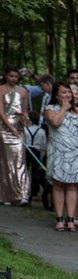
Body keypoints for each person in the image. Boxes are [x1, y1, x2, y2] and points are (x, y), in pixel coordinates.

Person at [44, 81, 78, 231]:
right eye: (63, 92)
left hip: (75, 152)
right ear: (56, 95)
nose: (67, 95)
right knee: (58, 185)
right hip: (57, 152)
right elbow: (55, 122)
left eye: (69, 92)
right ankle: (59, 219)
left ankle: (71, 218)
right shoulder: (50, 109)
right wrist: (64, 109)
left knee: (72, 186)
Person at [0, 66, 31, 206]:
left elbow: (25, 111)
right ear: (6, 75)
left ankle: (22, 193)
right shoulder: (1, 89)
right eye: (11, 76)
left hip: (19, 128)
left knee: (20, 160)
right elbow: (1, 112)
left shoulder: (23, 91)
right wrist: (10, 127)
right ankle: (5, 194)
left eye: (16, 76)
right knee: (5, 162)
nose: (13, 78)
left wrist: (26, 120)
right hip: (3, 128)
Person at [24, 110, 47, 200]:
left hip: (27, 150)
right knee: (35, 173)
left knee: (24, 171)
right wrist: (41, 157)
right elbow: (43, 145)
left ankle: (24, 190)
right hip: (36, 151)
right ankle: (34, 191)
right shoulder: (41, 131)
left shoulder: (25, 130)